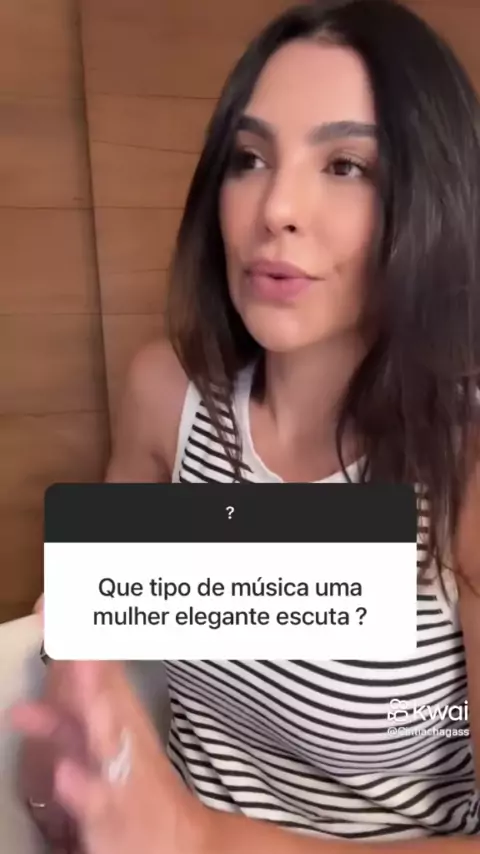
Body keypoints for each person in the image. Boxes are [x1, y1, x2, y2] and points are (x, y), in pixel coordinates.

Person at [10, 0, 480, 851]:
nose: (276, 208)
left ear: (435, 202)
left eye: (346, 165)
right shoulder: (166, 400)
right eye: (250, 158)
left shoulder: (465, 465)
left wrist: (197, 837)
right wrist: (68, 759)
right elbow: (83, 712)